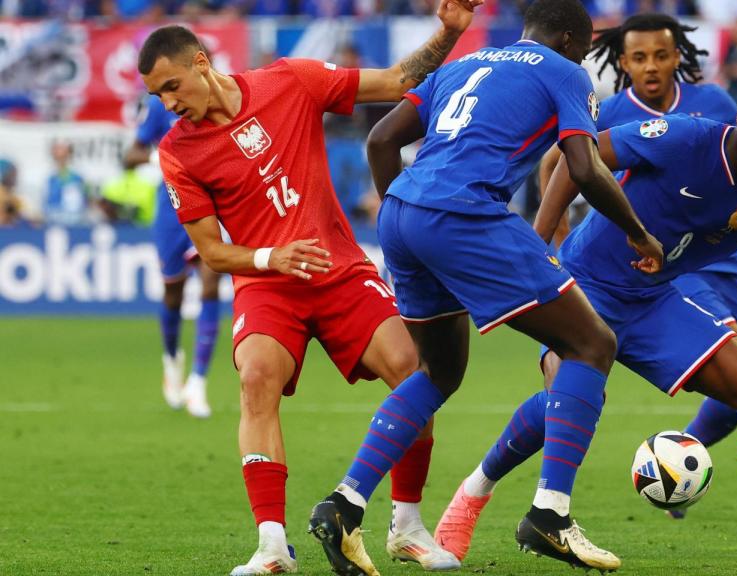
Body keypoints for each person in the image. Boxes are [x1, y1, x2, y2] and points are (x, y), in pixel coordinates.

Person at [445, 73, 737, 568]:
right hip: (586, 283)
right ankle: (483, 499)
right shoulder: (684, 137)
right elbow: (579, 160)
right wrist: (539, 247)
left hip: (653, 299)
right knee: (571, 391)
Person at [307, 1, 663, 574]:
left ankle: (345, 504)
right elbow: (585, 166)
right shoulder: (563, 69)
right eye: (586, 46)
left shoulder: (462, 65)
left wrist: (408, 210)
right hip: (468, 215)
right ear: (573, 36)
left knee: (439, 373)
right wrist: (640, 234)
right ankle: (551, 513)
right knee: (592, 345)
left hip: (402, 214)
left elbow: (379, 140)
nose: (585, 57)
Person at [137, 4, 481, 573]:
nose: (169, 103)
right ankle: (272, 545)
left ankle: (407, 525)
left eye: (172, 86)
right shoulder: (178, 151)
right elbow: (215, 251)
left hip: (339, 268)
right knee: (256, 378)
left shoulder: (289, 81)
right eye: (158, 96)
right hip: (267, 282)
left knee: (412, 370)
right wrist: (275, 256)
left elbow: (397, 81)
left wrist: (448, 31)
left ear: (201, 63)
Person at [135, 94, 222, 418]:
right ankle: (172, 359)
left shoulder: (217, 100)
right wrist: (151, 158)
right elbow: (135, 149)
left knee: (211, 280)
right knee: (174, 292)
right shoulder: (161, 106)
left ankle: (198, 382)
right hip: (171, 205)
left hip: (212, 202)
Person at [99, 148, 157, 225]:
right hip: (143, 230)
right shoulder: (149, 186)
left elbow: (104, 209)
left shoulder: (110, 185)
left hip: (117, 230)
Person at [44, 141, 91, 227]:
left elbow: (83, 199)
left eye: (63, 155)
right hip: (49, 221)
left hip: (74, 221)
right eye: (57, 154)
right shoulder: (46, 175)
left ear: (69, 155)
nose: (60, 157)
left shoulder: (78, 175)